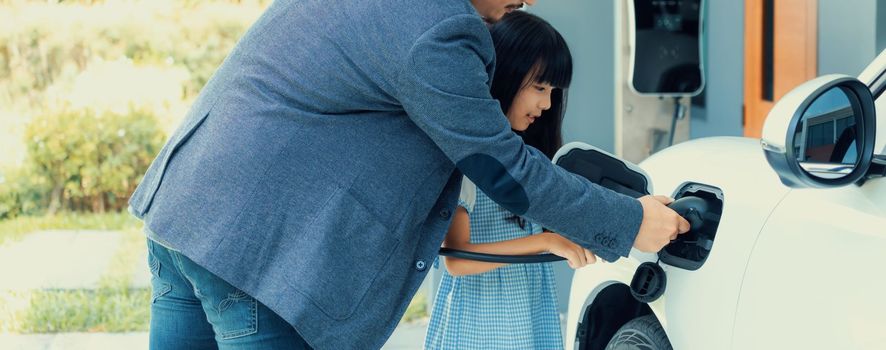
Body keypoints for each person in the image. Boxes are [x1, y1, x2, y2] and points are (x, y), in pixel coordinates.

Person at [130, 0, 690, 349]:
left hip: (185, 212)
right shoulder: (440, 29)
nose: (529, 0)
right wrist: (628, 220)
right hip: (257, 260)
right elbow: (501, 166)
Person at [425, 11, 583, 349]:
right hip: (479, 323)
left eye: (553, 91)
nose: (546, 103)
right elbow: (457, 259)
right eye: (539, 87)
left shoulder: (529, 159)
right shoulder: (472, 161)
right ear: (507, 75)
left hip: (528, 316)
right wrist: (544, 243)